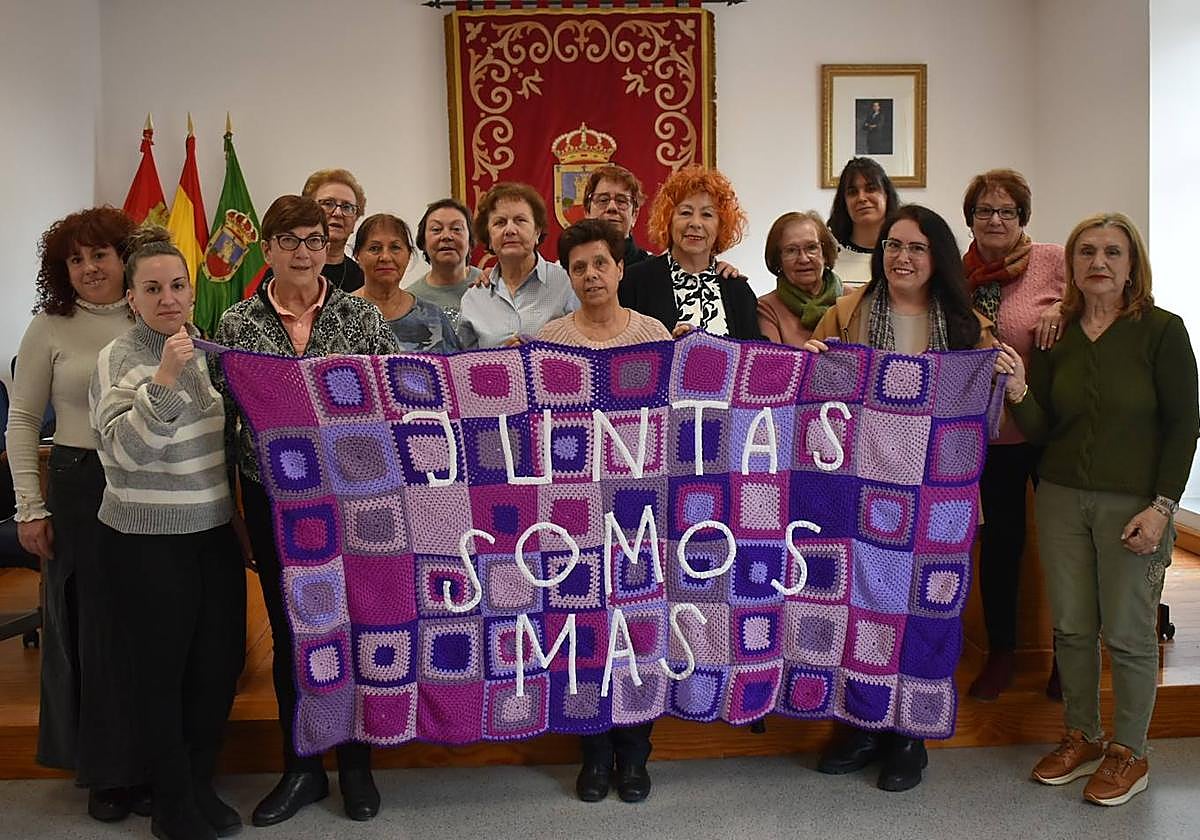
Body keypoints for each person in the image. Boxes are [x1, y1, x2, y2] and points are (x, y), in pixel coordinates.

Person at [994, 212, 1198, 807]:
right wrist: (1018, 391)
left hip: (1136, 506)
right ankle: (1082, 735)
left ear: (1132, 263)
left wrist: (1164, 508)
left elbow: (1185, 426)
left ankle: (1131, 752)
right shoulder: (1059, 335)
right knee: (1073, 627)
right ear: (1072, 265)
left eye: (1112, 252)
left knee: (1131, 633)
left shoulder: (1163, 331)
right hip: (1058, 498)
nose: (1099, 263)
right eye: (1087, 252)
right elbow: (1042, 431)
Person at [212, 195, 399, 826]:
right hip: (272, 498)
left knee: (357, 625)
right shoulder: (237, 326)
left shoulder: (360, 319)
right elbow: (222, 424)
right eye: (288, 239)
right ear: (267, 249)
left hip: (352, 500)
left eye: (313, 238)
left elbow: (392, 410)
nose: (302, 250)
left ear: (329, 247)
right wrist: (232, 509)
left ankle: (356, 766)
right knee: (296, 630)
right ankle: (302, 768)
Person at [805, 205, 992, 792]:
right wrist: (810, 363)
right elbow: (816, 402)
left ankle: (909, 734)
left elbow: (985, 423)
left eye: (915, 247)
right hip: (860, 494)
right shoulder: (850, 311)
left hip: (937, 501)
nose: (902, 257)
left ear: (937, 256)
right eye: (892, 246)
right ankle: (864, 724)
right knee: (860, 609)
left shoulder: (966, 328)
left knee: (920, 615)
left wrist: (1005, 379)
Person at [89, 227, 245, 840]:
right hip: (145, 539)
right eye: (152, 288)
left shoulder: (204, 348)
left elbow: (221, 446)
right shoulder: (121, 358)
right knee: (160, 671)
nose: (168, 298)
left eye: (177, 285)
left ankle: (199, 782)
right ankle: (171, 801)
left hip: (210, 531)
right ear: (131, 297)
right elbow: (128, 451)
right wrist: (165, 379)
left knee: (218, 662)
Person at [9, 206, 149, 821]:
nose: (89, 268)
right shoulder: (49, 327)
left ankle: (154, 759)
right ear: (62, 269)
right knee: (93, 630)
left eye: (100, 254)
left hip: (152, 484)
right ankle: (107, 771)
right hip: (78, 483)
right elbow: (19, 421)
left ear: (125, 257)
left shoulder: (154, 310)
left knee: (151, 625)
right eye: (76, 259)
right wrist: (29, 506)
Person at [537, 218, 671, 803]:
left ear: (620, 268)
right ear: (570, 277)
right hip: (572, 512)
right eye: (579, 267)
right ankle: (593, 751)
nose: (590, 275)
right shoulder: (550, 339)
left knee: (638, 627)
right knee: (582, 628)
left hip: (640, 511)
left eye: (600, 263)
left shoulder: (652, 335)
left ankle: (635, 752)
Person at [960, 169, 1067, 701]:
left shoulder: (1053, 259)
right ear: (971, 219)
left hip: (1049, 426)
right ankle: (1000, 652)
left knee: (1062, 546)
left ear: (1023, 218)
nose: (995, 220)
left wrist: (1061, 311)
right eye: (984, 211)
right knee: (1001, 545)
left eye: (1006, 211)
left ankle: (1067, 656)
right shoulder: (959, 275)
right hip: (994, 435)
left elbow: (1096, 304)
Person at [617, 166, 762, 340]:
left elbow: (753, 355)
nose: (695, 223)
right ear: (668, 220)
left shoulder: (737, 289)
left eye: (707, 215)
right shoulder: (635, 281)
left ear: (721, 225)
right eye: (685, 212)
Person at [457, 182, 579, 348]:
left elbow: (584, 349)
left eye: (520, 220)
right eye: (499, 223)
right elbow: (466, 366)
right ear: (489, 238)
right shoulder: (474, 299)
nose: (510, 230)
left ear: (537, 231)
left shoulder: (567, 284)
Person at [352, 213, 459, 353]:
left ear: (408, 255)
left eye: (395, 247)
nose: (385, 257)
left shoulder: (434, 317)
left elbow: (456, 371)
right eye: (374, 248)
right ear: (357, 256)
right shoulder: (340, 315)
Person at [756, 211, 843, 345]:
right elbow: (774, 363)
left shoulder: (852, 299)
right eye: (791, 250)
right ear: (779, 260)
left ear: (825, 254)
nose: (803, 259)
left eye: (812, 248)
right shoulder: (766, 308)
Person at [826, 157, 901, 288]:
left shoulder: (904, 256)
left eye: (871, 189)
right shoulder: (828, 257)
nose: (861, 198)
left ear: (886, 195)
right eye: (852, 192)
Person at [408, 198, 480, 331]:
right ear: (423, 242)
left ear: (470, 240)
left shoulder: (489, 286)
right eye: (436, 229)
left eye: (456, 229)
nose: (446, 236)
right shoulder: (411, 301)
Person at [302, 168, 367, 293]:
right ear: (306, 211)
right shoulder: (286, 269)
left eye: (347, 207)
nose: (338, 213)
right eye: (328, 203)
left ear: (355, 220)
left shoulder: (362, 279)